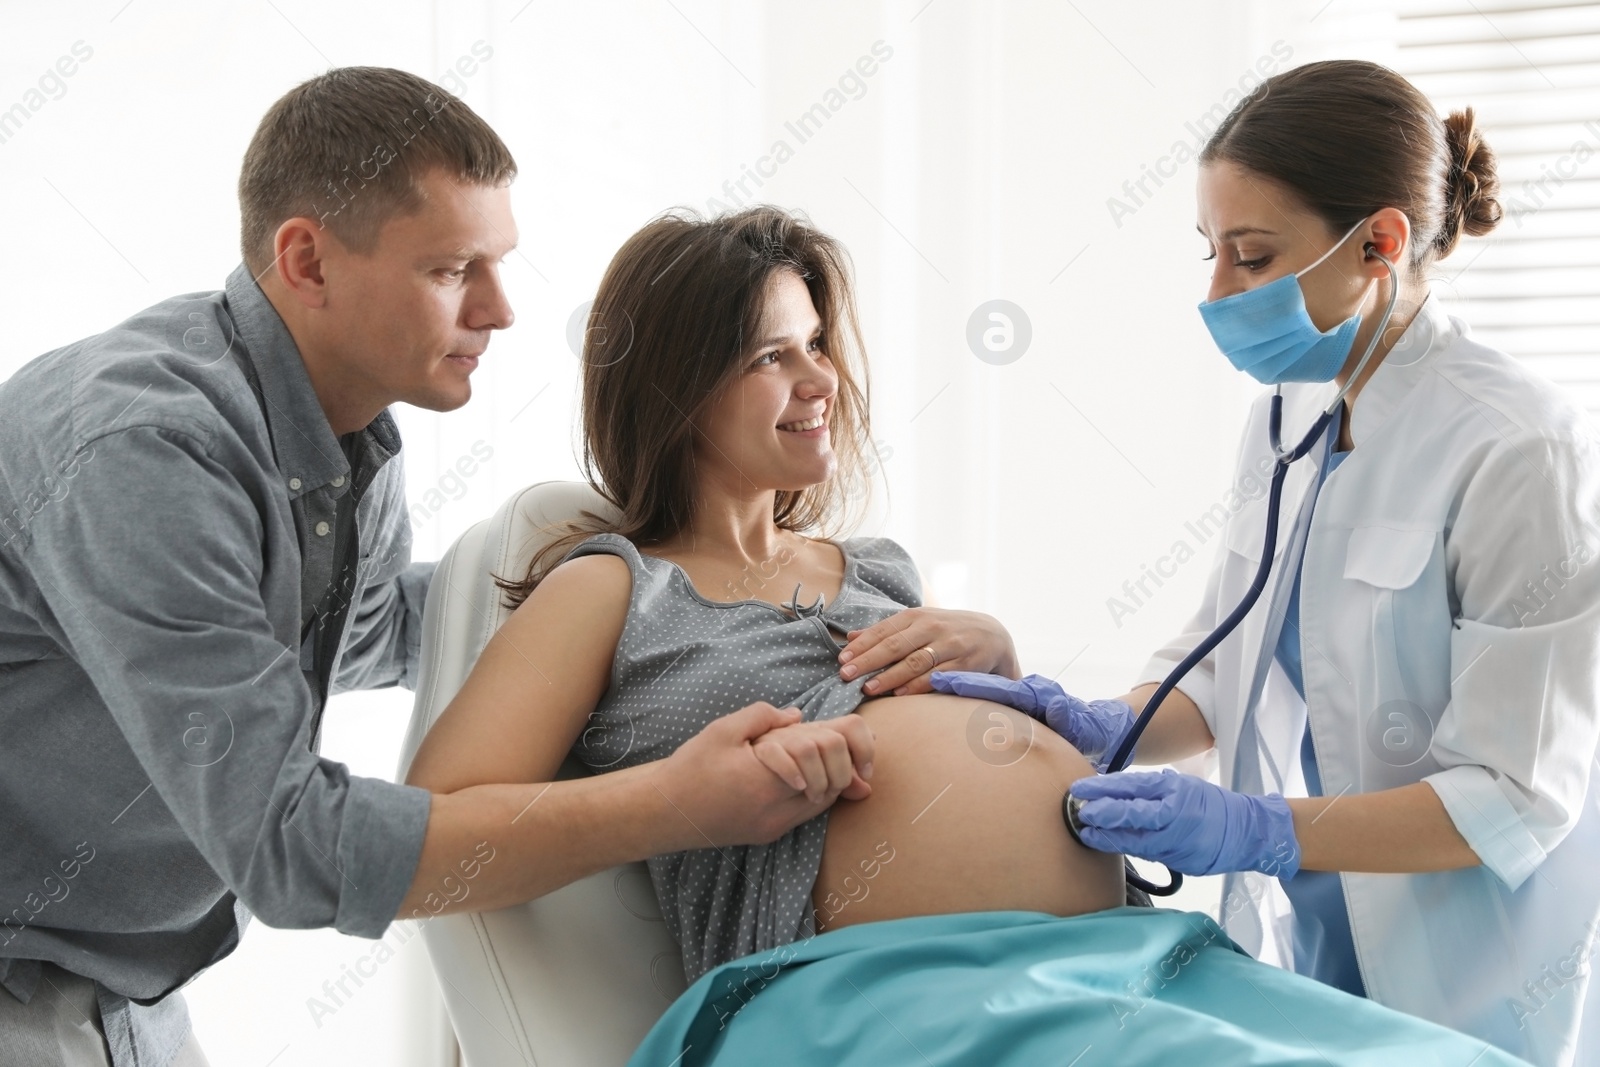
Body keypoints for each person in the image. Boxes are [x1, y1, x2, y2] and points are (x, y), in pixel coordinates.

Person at [0, 68, 871, 1067]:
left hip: (119, 990)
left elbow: (368, 626)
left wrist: (650, 594)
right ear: (308, 261)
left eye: (497, 263)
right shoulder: (147, 452)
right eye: (454, 270)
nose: (500, 310)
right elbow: (292, 846)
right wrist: (676, 800)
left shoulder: (347, 435)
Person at [923, 59, 1600, 1067]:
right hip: (1313, 948)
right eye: (1209, 252)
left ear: (1378, 242)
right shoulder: (1287, 416)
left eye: (1249, 255)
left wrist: (1256, 827)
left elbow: (1510, 795)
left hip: (1467, 977)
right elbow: (1228, 647)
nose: (1215, 292)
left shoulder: (1518, 447)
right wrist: (1119, 720)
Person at [403, 205, 1128, 984]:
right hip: (876, 1000)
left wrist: (1001, 676)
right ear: (676, 389)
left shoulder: (882, 569)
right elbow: (420, 850)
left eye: (815, 342)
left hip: (1106, 964)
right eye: (770, 357)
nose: (822, 379)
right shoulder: (610, 588)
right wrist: (677, 802)